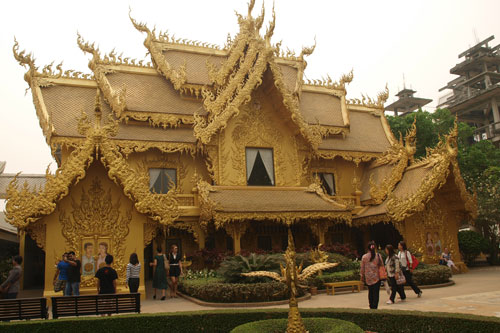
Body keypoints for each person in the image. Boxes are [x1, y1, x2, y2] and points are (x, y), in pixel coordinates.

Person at [360, 241, 383, 309]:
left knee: (370, 292)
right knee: (376, 292)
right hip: (377, 277)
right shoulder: (378, 256)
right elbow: (381, 265)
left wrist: (362, 276)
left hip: (368, 278)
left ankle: (371, 305)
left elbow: (362, 268)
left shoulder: (364, 257)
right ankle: (375, 306)